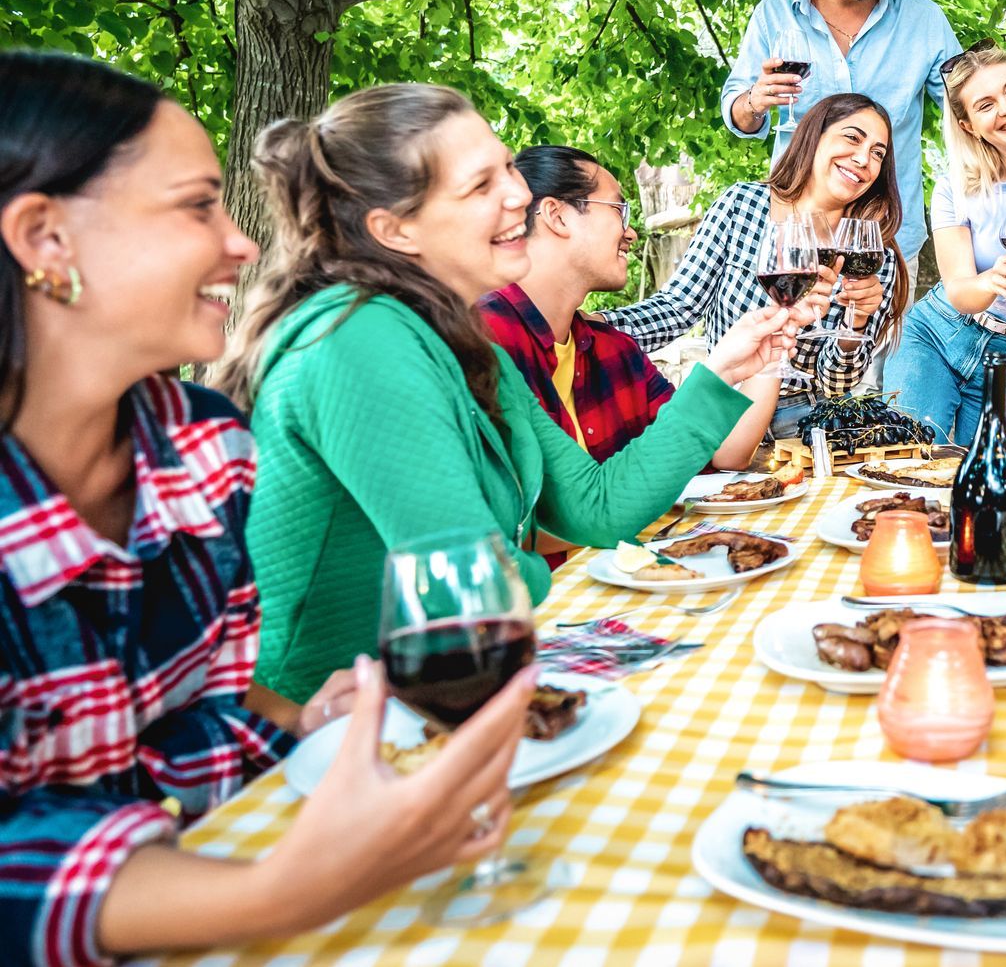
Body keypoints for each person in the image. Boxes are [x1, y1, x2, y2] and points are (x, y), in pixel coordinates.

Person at [0, 52, 534, 965]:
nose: (242, 243)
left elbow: (191, 719)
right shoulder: (355, 340)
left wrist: (298, 723)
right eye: (195, 206)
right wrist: (285, 889)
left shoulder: (203, 446)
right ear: (46, 239)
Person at [224, 85, 789, 701]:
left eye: (506, 171)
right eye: (480, 185)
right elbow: (467, 581)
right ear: (397, 229)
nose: (520, 194)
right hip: (331, 735)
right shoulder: (359, 337)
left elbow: (594, 508)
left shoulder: (466, 344)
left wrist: (723, 371)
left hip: (444, 687)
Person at [606, 93, 904, 440]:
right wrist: (592, 328)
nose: (863, 158)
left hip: (807, 423)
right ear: (814, 136)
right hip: (724, 408)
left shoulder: (871, 252)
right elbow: (678, 307)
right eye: (852, 138)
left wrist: (857, 321)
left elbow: (836, 382)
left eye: (878, 153)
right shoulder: (741, 205)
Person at [477, 145, 777, 472]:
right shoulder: (479, 343)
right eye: (618, 209)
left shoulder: (613, 351)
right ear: (556, 215)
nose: (631, 232)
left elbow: (718, 452)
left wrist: (774, 344)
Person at [722, 0, 961, 269]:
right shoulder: (774, 14)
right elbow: (738, 116)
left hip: (888, 240)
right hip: (794, 234)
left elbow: (970, 106)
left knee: (874, 336)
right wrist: (754, 101)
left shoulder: (925, 20)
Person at [891, 46, 1006, 442]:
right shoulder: (956, 187)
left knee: (994, 476)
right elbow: (959, 290)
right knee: (915, 456)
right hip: (939, 333)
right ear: (969, 125)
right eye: (985, 105)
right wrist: (990, 282)